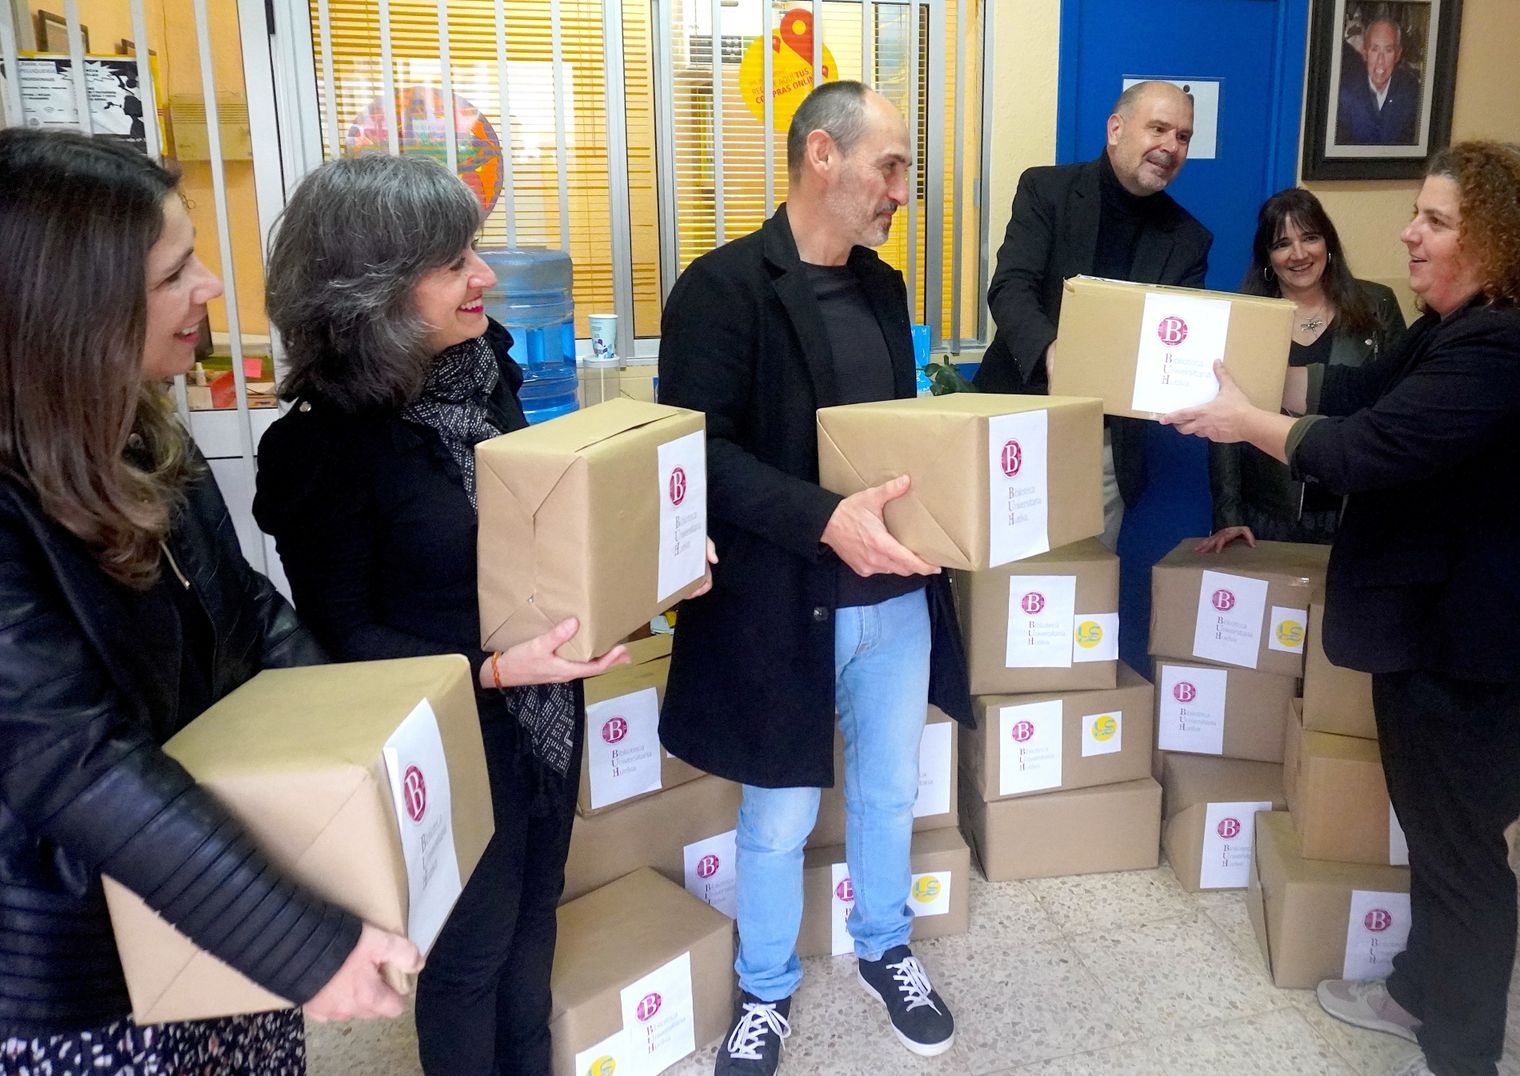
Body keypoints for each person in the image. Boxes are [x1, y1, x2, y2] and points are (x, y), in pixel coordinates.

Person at [1163, 142, 1520, 1076]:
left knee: (1463, 857)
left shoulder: (1511, 345)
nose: (1409, 233)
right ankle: (1416, 992)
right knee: (1438, 838)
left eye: (1436, 221)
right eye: (1418, 213)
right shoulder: (1458, 324)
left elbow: (1367, 448)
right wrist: (1235, 395)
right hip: (1441, 635)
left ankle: (1462, 1049)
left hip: (1490, 652)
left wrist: (1249, 426)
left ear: (1500, 239)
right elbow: (1357, 392)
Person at [0, 129, 419, 1075]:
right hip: (80, 969)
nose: (212, 288)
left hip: (213, 907)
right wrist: (305, 948)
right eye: (176, 271)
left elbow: (251, 618)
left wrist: (357, 764)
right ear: (71, 310)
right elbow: (77, 766)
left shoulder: (143, 436)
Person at [252, 154, 666, 1076]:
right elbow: (343, 638)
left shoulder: (486, 375)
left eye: (473, 249)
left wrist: (641, 560)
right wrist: (488, 670)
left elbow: (541, 527)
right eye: (453, 263)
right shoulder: (320, 451)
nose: (484, 275)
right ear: (372, 293)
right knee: (471, 960)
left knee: (534, 929)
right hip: (444, 734)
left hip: (545, 717)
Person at [656, 81, 972, 1075]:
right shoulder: (720, 287)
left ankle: (885, 946)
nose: (899, 191)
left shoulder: (885, 288)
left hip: (894, 596)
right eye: (890, 165)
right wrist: (822, 519)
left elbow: (886, 434)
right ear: (821, 156)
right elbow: (697, 453)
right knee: (781, 812)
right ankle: (765, 986)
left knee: (886, 792)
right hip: (784, 598)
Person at [977, 79, 1212, 549]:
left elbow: (1177, 347)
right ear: (1116, 128)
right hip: (1012, 425)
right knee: (996, 595)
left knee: (1081, 596)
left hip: (1105, 447)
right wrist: (1051, 350)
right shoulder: (1047, 191)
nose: (1170, 147)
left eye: (1182, 137)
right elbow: (1010, 287)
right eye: (1159, 129)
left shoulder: (1188, 239)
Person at [1198, 187, 1405, 551]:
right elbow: (1225, 422)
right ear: (1267, 255)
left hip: (1354, 508)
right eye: (1282, 244)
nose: (1298, 254)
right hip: (1269, 512)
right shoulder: (1247, 316)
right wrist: (1228, 515)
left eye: (1309, 238)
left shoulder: (1378, 304)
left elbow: (1400, 407)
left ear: (1328, 244)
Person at [1336, 15, 1422, 146]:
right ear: (1364, 52)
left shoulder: (1412, 92)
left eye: (1388, 50)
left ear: (1398, 55)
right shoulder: (1344, 93)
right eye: (1375, 50)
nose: (1380, 61)